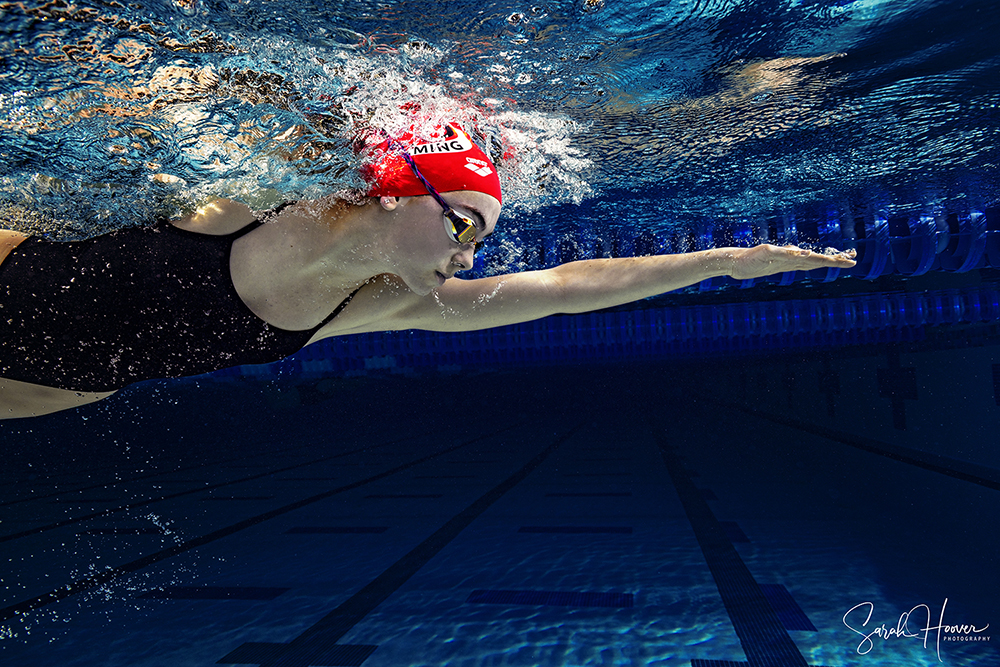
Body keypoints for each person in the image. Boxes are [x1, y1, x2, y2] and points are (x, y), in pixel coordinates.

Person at [0, 123, 856, 419]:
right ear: (396, 193)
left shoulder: (368, 307)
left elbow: (563, 292)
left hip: (46, 385)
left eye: (476, 239)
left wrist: (724, 264)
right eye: (462, 225)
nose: (468, 255)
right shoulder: (241, 197)